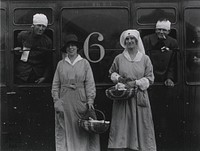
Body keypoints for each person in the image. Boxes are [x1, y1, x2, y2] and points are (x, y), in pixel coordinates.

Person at [108, 29, 157, 151]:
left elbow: (150, 78)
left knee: (141, 126)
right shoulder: (119, 58)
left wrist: (135, 83)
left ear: (137, 41)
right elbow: (111, 73)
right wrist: (119, 78)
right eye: (127, 39)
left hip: (139, 97)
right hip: (123, 98)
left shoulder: (145, 59)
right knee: (122, 127)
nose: (129, 41)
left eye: (132, 39)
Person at [51, 34, 100, 151]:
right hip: (65, 101)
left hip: (80, 100)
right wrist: (56, 100)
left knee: (81, 129)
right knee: (64, 128)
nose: (71, 48)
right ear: (66, 49)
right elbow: (55, 84)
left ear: (77, 48)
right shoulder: (61, 64)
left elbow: (90, 83)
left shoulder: (84, 63)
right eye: (68, 46)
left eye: (73, 45)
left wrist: (90, 100)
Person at [14, 13, 53, 84]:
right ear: (33, 26)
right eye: (39, 25)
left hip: (38, 75)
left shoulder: (47, 42)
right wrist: (17, 51)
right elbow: (16, 51)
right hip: (22, 74)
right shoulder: (22, 36)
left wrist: (44, 77)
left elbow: (49, 62)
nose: (41, 29)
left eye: (43, 26)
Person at [143, 18, 179, 87]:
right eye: (159, 29)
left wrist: (169, 78)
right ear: (155, 30)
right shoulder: (147, 40)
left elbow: (173, 63)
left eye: (164, 30)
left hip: (165, 78)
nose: (161, 32)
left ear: (169, 31)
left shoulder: (173, 42)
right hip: (149, 77)